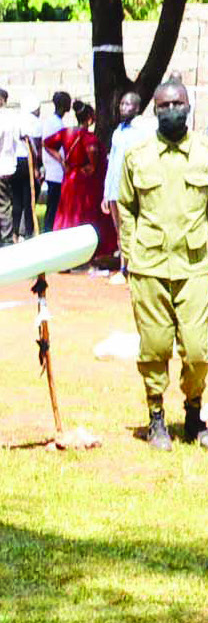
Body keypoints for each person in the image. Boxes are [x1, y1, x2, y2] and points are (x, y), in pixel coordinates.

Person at [116, 80, 208, 451]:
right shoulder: (137, 156)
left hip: (196, 267)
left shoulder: (204, 153)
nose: (172, 110)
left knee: (199, 348)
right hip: (149, 266)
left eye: (177, 103)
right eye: (164, 105)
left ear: (189, 106)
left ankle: (193, 413)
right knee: (154, 346)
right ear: (155, 110)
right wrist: (130, 252)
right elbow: (125, 206)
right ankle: (156, 418)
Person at [45, 101, 116, 264]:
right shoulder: (88, 137)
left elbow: (47, 143)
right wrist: (91, 164)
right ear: (90, 119)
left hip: (70, 178)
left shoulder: (66, 132)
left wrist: (61, 160)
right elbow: (92, 151)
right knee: (84, 216)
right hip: (85, 183)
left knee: (67, 214)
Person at [0, 88, 37, 246]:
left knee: (2, 209)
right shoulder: (14, 118)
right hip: (10, 167)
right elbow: (24, 138)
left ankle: (6, 242)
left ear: (2, 100)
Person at [104, 90, 148, 271]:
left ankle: (134, 266)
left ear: (137, 108)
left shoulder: (141, 132)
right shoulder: (117, 132)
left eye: (128, 104)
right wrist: (105, 193)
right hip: (114, 188)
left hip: (130, 188)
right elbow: (112, 163)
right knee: (119, 230)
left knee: (132, 228)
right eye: (122, 104)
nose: (123, 107)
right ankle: (124, 266)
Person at [37, 90, 71, 232]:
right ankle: (48, 230)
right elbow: (48, 144)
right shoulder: (55, 124)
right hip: (55, 170)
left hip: (55, 170)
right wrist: (62, 161)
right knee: (53, 204)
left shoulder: (56, 122)